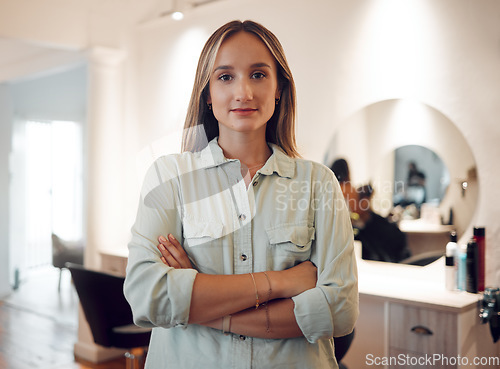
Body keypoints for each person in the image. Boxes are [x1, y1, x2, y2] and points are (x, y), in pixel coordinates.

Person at [124, 20, 358, 369]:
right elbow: (148, 298)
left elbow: (339, 311)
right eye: (225, 76)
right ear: (208, 92)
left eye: (259, 75)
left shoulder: (319, 183)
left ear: (279, 88)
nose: (244, 92)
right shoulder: (170, 177)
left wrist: (201, 300)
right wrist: (281, 283)